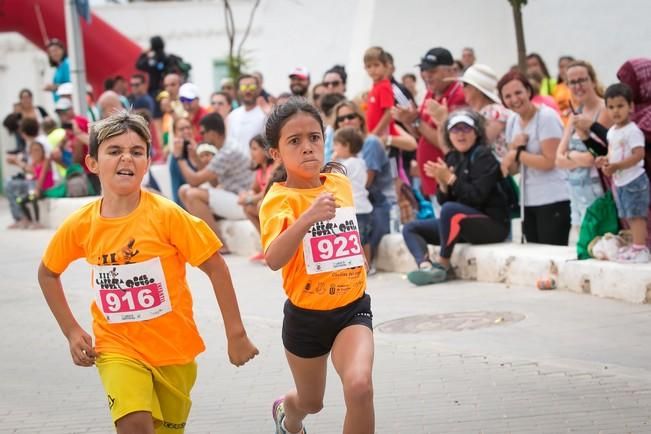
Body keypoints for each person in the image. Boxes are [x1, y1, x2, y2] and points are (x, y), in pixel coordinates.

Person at [37, 111, 258, 433]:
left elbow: (216, 266)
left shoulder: (168, 216)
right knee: (135, 425)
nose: (126, 157)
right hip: (116, 348)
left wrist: (235, 333)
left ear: (146, 162)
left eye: (136, 151)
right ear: (92, 163)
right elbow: (47, 273)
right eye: (114, 151)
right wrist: (71, 330)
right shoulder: (81, 224)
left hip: (174, 352)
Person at [259, 97, 374, 434]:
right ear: (276, 153)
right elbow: (273, 258)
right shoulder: (278, 200)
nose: (307, 147)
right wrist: (307, 218)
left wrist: (355, 256)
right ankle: (287, 414)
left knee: (359, 387)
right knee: (312, 402)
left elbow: (343, 231)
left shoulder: (339, 182)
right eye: (294, 141)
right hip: (306, 317)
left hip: (351, 307)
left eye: (314, 137)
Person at [403, 111, 510, 285]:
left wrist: (451, 179)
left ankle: (444, 265)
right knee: (411, 228)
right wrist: (443, 184)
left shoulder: (483, 156)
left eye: (466, 129)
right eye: (455, 130)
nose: (460, 134)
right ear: (449, 135)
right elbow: (445, 201)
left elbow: (477, 197)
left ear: (476, 133)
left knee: (450, 210)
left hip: (492, 226)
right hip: (461, 223)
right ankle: (425, 266)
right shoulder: (452, 157)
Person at [498, 71, 570, 245]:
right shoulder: (512, 121)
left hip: (553, 198)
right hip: (528, 200)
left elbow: (549, 161)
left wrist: (517, 153)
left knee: (551, 255)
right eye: (507, 96)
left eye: (518, 92)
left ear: (528, 91)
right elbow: (512, 167)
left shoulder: (546, 117)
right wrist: (513, 151)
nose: (514, 99)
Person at [393, 47, 466, 216]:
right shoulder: (431, 94)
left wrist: (416, 121)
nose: (426, 75)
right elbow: (420, 135)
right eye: (423, 70)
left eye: (432, 70)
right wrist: (409, 121)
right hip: (434, 180)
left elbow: (448, 142)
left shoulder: (458, 95)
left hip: (449, 180)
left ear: (451, 70)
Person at [175, 113, 253, 251]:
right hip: (233, 197)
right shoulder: (225, 147)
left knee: (193, 194)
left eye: (203, 132)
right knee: (184, 190)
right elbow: (213, 183)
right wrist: (196, 158)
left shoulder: (227, 151)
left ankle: (219, 245)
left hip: (244, 202)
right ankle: (206, 239)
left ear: (212, 133)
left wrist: (179, 157)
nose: (201, 137)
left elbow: (194, 181)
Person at [595, 83, 650, 262]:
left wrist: (617, 166)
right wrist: (605, 160)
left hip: (634, 180)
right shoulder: (612, 131)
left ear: (631, 107)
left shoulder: (633, 131)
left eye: (620, 106)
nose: (615, 111)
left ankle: (641, 249)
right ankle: (635, 245)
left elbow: (639, 154)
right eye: (611, 107)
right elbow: (613, 152)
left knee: (636, 215)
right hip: (621, 181)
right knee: (627, 215)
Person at [555, 60, 611, 230]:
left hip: (599, 193)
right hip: (576, 194)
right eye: (572, 82)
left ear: (592, 81)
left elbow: (592, 158)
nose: (578, 86)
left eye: (582, 80)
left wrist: (570, 156)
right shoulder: (574, 115)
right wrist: (576, 157)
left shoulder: (605, 110)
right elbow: (558, 160)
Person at [447, 63, 511, 159]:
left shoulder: (495, 112)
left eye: (465, 84)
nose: (462, 88)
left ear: (477, 89)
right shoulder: (480, 113)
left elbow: (480, 142)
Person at [333, 126, 373, 263]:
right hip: (365, 207)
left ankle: (359, 265)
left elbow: (333, 179)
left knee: (355, 240)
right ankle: (368, 263)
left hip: (353, 208)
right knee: (365, 239)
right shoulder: (361, 162)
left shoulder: (346, 165)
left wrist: (333, 161)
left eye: (337, 144)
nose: (335, 148)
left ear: (346, 146)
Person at [238, 134, 279, 262]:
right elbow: (254, 189)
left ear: (266, 150)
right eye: (251, 149)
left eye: (255, 148)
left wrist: (248, 199)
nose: (252, 152)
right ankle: (266, 246)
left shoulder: (274, 168)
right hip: (265, 204)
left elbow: (265, 192)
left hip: (275, 204)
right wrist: (246, 194)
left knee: (260, 205)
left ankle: (273, 249)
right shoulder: (260, 170)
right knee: (248, 208)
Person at [16, 139, 55, 229]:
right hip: (37, 189)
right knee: (19, 200)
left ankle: (37, 222)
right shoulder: (34, 163)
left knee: (32, 197)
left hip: (47, 189)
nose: (35, 152)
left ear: (42, 151)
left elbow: (42, 176)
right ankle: (28, 220)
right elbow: (30, 173)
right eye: (33, 150)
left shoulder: (46, 160)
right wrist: (18, 162)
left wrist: (37, 189)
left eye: (37, 150)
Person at [226, 74, 266, 155]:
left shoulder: (265, 115)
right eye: (244, 87)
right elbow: (229, 144)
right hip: (236, 165)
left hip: (257, 166)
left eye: (251, 87)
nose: (247, 91)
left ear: (258, 89)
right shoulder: (232, 116)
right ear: (238, 91)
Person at [363, 46, 396, 137]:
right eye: (368, 66)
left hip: (383, 138)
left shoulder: (384, 86)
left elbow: (389, 112)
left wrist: (375, 133)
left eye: (376, 65)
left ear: (385, 66)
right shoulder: (375, 87)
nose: (372, 70)